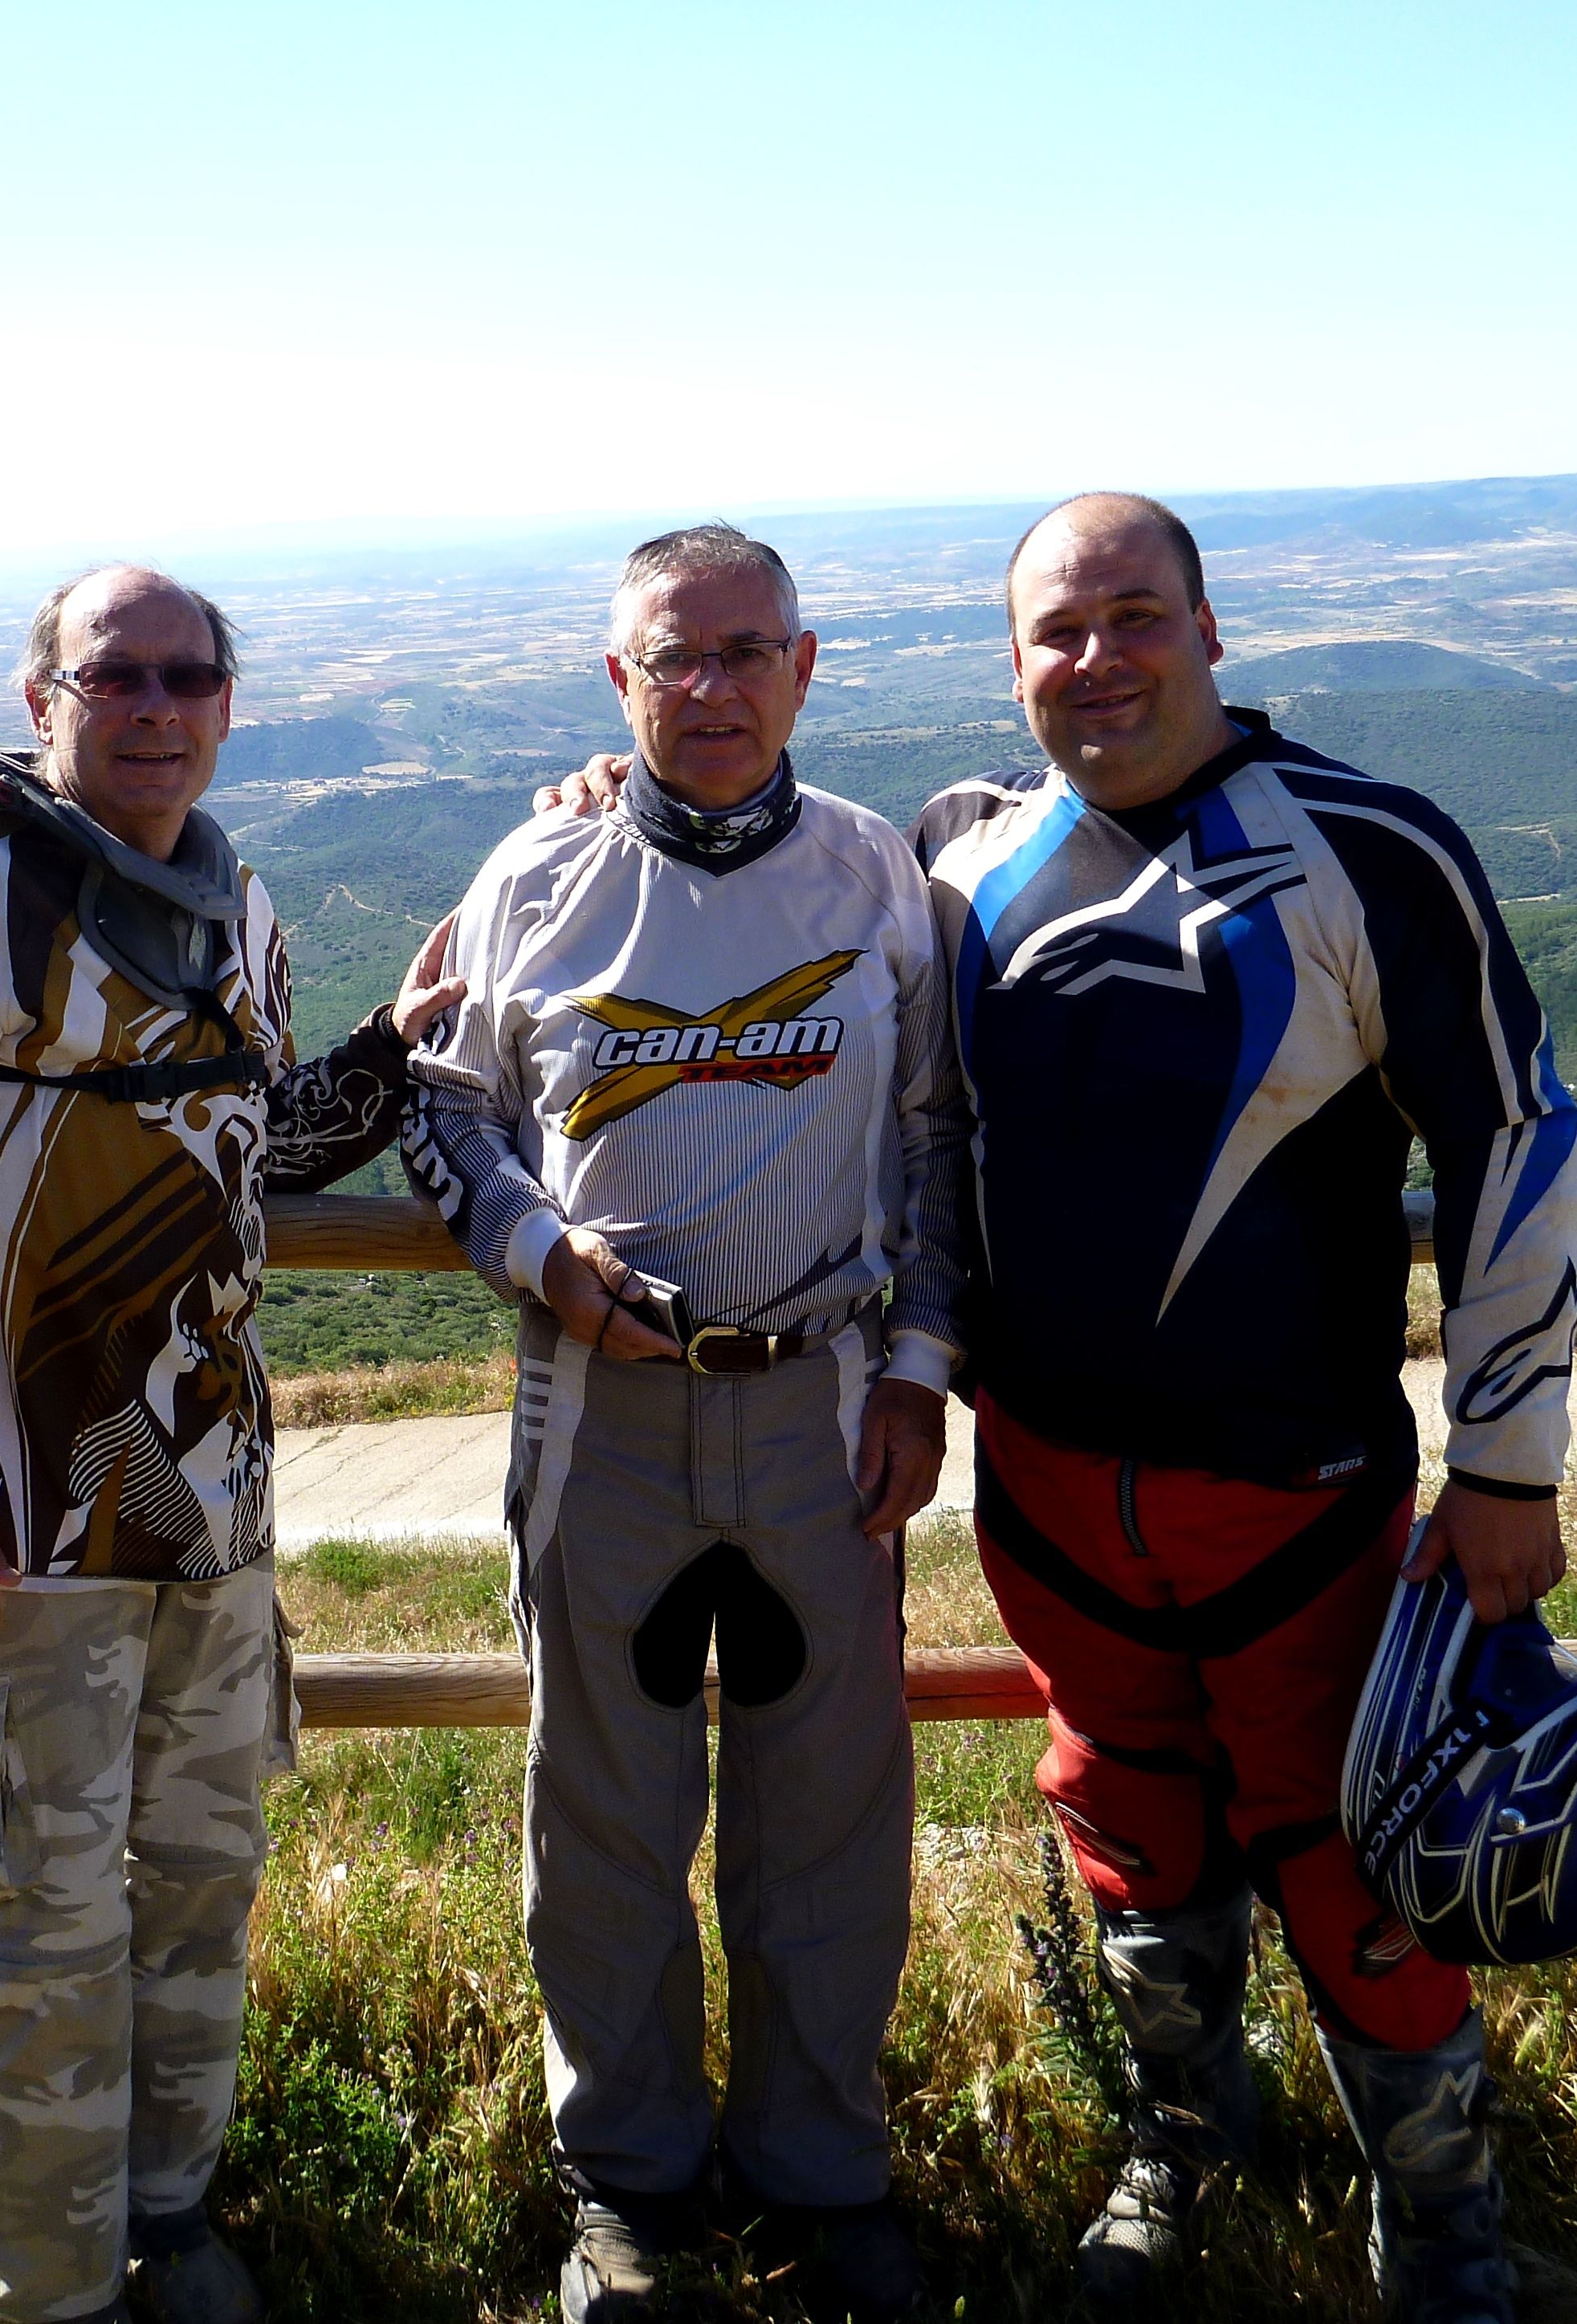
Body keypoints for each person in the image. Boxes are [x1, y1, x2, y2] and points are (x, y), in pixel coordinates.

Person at [546, 494, 1577, 2324]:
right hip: (1041, 1484)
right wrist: (601, 817)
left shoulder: (1366, 848)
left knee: (1347, 1852)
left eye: (1132, 618)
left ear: (1205, 626)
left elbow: (1513, 1132)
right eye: (1056, 630)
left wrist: (1509, 1457)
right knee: (1124, 1824)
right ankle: (1181, 2145)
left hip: (1295, 1479)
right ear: (1009, 661)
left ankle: (1442, 2226)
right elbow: (788, 907)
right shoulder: (958, 860)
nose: (1094, 660)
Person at [0, 561, 461, 2324]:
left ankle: (170, 2217)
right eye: (113, 676)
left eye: (186, 677)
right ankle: (50, 2290)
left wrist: (385, 1054)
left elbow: (239, 1155)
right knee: (41, 1927)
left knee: (202, 1889)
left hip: (209, 1519)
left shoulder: (241, 905)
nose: (153, 708)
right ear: (39, 700)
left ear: (225, 699)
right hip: (16, 1539)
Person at [400, 524, 968, 2323]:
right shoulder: (536, 875)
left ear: (808, 665)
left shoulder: (879, 875)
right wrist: (530, 1252)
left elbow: (946, 1138)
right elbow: (443, 1113)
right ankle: (627, 2189)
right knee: (604, 1819)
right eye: (674, 657)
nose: (710, 688)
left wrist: (921, 1372)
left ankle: (821, 2171)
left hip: (821, 1408)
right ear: (618, 678)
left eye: (747, 652)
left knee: (829, 1819)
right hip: (603, 1418)